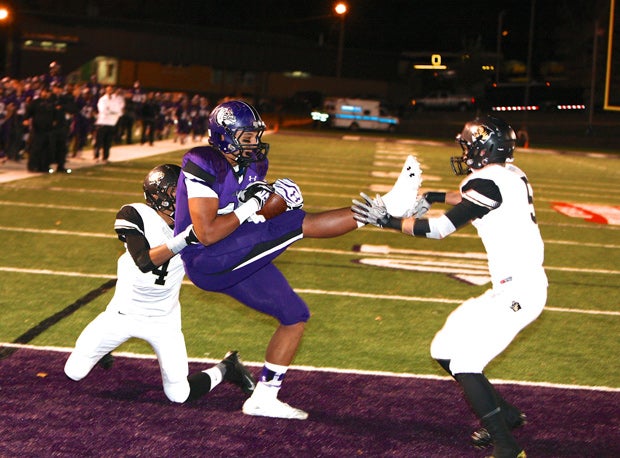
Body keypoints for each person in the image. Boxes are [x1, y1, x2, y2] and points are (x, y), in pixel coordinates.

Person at [351, 115, 547, 458]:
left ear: (484, 149)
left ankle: (506, 446)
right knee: (443, 349)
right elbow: (473, 201)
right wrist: (433, 195)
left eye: (469, 145)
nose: (466, 151)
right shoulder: (509, 174)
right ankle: (508, 416)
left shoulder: (487, 181)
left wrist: (387, 221)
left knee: (466, 363)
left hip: (520, 291)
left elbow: (440, 229)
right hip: (509, 288)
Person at [173, 100, 364, 420]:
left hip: (233, 255)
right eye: (246, 137)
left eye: (255, 136)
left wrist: (276, 203)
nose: (255, 143)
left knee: (294, 314)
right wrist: (257, 208)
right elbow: (206, 232)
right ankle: (380, 211)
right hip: (205, 259)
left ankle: (264, 396)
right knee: (294, 224)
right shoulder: (202, 162)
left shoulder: (255, 165)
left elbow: (252, 221)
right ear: (225, 136)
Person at [64, 164, 256, 404]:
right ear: (160, 195)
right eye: (180, 194)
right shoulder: (135, 214)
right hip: (121, 315)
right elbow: (144, 262)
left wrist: (251, 206)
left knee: (179, 395)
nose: (188, 199)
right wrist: (186, 239)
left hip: (164, 320)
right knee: (73, 371)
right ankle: (103, 348)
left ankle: (228, 368)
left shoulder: (198, 225)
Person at [94, 85, 124, 163]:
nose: (110, 91)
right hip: (102, 122)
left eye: (111, 90)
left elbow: (119, 111)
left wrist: (111, 111)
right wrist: (113, 112)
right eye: (108, 90)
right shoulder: (102, 99)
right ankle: (96, 156)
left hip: (111, 123)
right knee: (99, 141)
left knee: (108, 142)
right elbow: (103, 110)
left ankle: (105, 157)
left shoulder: (115, 100)